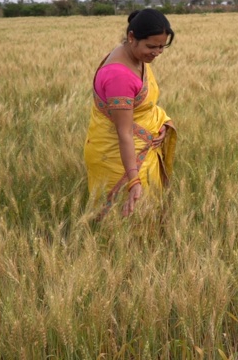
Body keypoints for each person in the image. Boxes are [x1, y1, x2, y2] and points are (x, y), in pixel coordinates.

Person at [84, 9, 177, 218]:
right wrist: (134, 181)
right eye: (151, 46)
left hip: (139, 149)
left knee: (144, 225)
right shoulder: (119, 76)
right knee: (122, 226)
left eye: (162, 46)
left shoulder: (134, 55)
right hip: (119, 159)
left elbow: (144, 107)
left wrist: (159, 125)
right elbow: (124, 132)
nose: (157, 52)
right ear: (132, 37)